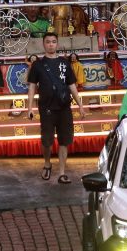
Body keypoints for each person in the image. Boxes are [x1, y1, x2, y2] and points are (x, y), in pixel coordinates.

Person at [27, 32, 86, 184]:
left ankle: (62, 172)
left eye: (54, 41)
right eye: (48, 42)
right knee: (47, 141)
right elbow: (32, 87)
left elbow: (72, 85)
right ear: (43, 44)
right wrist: (29, 108)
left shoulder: (65, 63)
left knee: (64, 140)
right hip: (46, 108)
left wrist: (80, 105)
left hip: (64, 107)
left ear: (57, 44)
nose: (51, 44)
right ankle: (47, 163)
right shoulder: (38, 65)